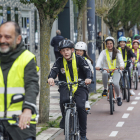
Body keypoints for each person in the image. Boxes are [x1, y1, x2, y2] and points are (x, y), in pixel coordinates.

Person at [0, 21, 39, 140]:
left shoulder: (27, 58)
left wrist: (27, 110)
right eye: (0, 36)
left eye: (7, 37)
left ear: (18, 39)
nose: (2, 40)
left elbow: (32, 84)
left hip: (20, 120)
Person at [48, 39, 92, 140]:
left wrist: (88, 78)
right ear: (60, 52)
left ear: (72, 50)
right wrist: (51, 78)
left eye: (67, 50)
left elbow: (87, 69)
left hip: (80, 86)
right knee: (63, 100)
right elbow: (54, 70)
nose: (65, 52)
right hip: (65, 86)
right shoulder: (59, 61)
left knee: (81, 106)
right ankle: (65, 118)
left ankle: (83, 134)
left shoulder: (80, 59)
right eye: (63, 51)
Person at [96, 36, 124, 106]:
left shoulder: (117, 52)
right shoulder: (103, 52)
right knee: (104, 73)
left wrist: (121, 66)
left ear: (113, 44)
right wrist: (98, 66)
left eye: (110, 43)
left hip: (116, 70)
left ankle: (118, 97)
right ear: (106, 44)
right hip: (106, 70)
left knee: (116, 83)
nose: (109, 45)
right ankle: (105, 89)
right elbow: (99, 60)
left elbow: (121, 60)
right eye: (107, 43)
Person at [75, 41, 93, 111]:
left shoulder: (87, 61)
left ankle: (86, 101)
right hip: (73, 79)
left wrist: (88, 78)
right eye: (77, 50)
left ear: (84, 52)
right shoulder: (73, 60)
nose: (78, 52)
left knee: (84, 87)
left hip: (83, 79)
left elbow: (91, 71)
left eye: (80, 51)